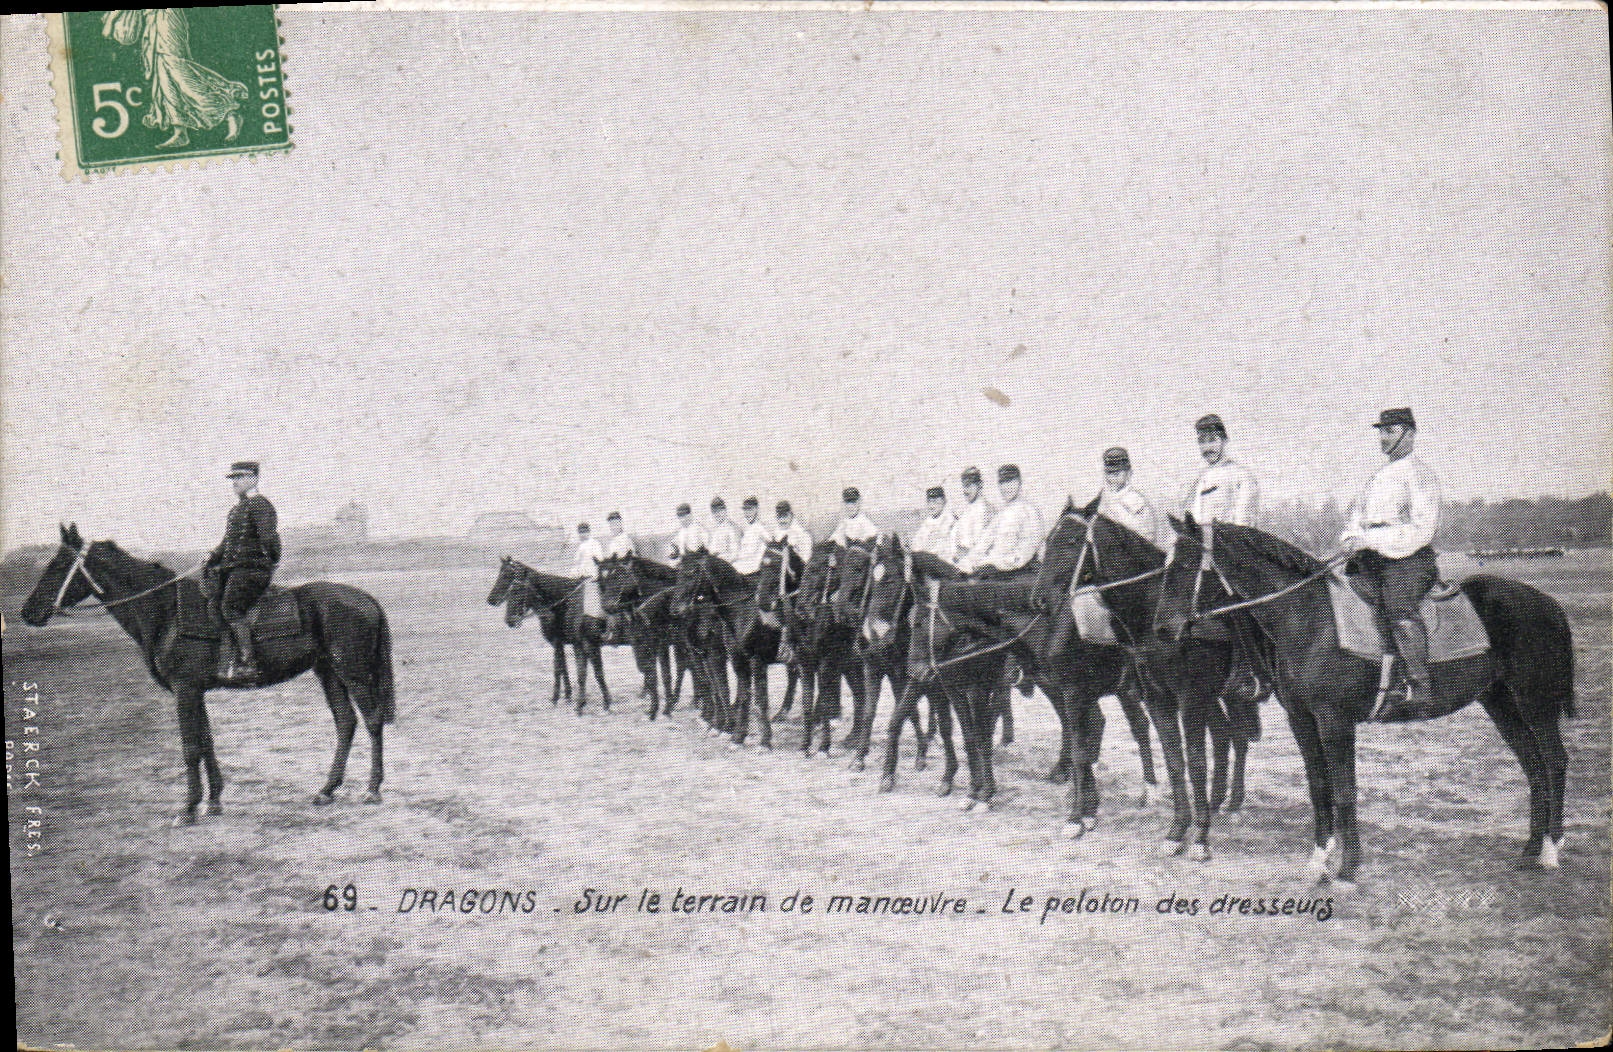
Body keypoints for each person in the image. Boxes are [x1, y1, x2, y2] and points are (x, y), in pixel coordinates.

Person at [1340, 407, 1443, 709]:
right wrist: (1350, 539)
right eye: (1381, 432)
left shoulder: (1421, 475)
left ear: (1409, 434)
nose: (1383, 438)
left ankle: (1419, 683)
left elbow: (1422, 529)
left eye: (1390, 431)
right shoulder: (1376, 476)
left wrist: (1369, 540)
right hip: (1371, 558)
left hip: (1409, 559)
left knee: (1397, 605)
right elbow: (1357, 517)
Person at [204, 460, 280, 685]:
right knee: (213, 604)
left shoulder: (261, 505)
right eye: (233, 478)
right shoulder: (238, 509)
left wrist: (270, 563)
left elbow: (270, 539)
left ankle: (249, 664)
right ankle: (228, 657)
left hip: (252, 571)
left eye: (240, 477)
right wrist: (212, 556)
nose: (234, 482)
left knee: (230, 607)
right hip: (235, 571)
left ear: (254, 479)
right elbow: (228, 542)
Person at [966, 464, 1044, 576]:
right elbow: (983, 544)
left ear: (1019, 482)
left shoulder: (1030, 512)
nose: (1006, 487)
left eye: (1010, 481)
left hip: (1020, 573)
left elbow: (1025, 552)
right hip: (995, 572)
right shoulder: (1001, 515)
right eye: (1002, 482)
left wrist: (994, 564)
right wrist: (968, 564)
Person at [1186, 414, 1259, 526]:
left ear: (1224, 440)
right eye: (1202, 441)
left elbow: (1243, 527)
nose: (1207, 448)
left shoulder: (1242, 476)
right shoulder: (1200, 480)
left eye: (1212, 440)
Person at [1096, 447, 1164, 547]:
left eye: (1118, 472)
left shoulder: (1137, 501)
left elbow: (1148, 537)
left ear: (1129, 473)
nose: (1114, 476)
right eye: (1110, 472)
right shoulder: (1100, 501)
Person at [949, 466, 996, 570]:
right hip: (961, 562)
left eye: (969, 486)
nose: (965, 491)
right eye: (964, 486)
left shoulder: (986, 510)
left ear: (980, 485)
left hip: (977, 566)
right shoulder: (967, 510)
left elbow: (981, 547)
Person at [910, 485, 958, 563]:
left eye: (935, 502)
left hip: (945, 566)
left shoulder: (951, 521)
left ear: (944, 502)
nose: (931, 506)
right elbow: (916, 545)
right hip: (926, 566)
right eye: (929, 502)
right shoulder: (927, 523)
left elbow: (953, 551)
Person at [732, 496, 773, 576]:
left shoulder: (760, 528)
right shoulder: (748, 529)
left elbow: (771, 545)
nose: (747, 513)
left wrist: (765, 560)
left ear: (756, 509)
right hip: (741, 565)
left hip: (753, 569)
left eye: (750, 509)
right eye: (745, 510)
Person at [707, 496, 742, 565]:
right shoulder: (716, 530)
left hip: (729, 566)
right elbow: (711, 550)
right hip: (716, 565)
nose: (717, 514)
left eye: (720, 510)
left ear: (725, 510)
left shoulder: (732, 528)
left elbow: (735, 554)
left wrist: (719, 561)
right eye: (714, 512)